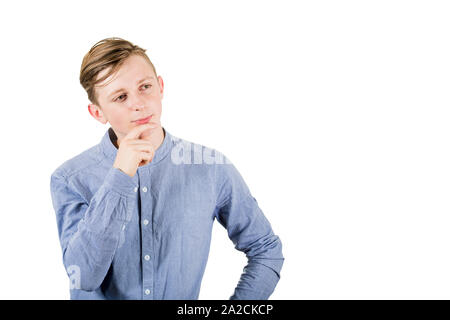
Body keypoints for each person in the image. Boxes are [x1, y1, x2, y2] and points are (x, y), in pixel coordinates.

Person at [49, 37, 284, 300]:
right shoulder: (70, 178)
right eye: (121, 96)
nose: (138, 103)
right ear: (97, 113)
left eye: (145, 87)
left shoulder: (211, 168)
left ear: (160, 86)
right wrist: (120, 177)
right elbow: (85, 276)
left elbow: (266, 249)